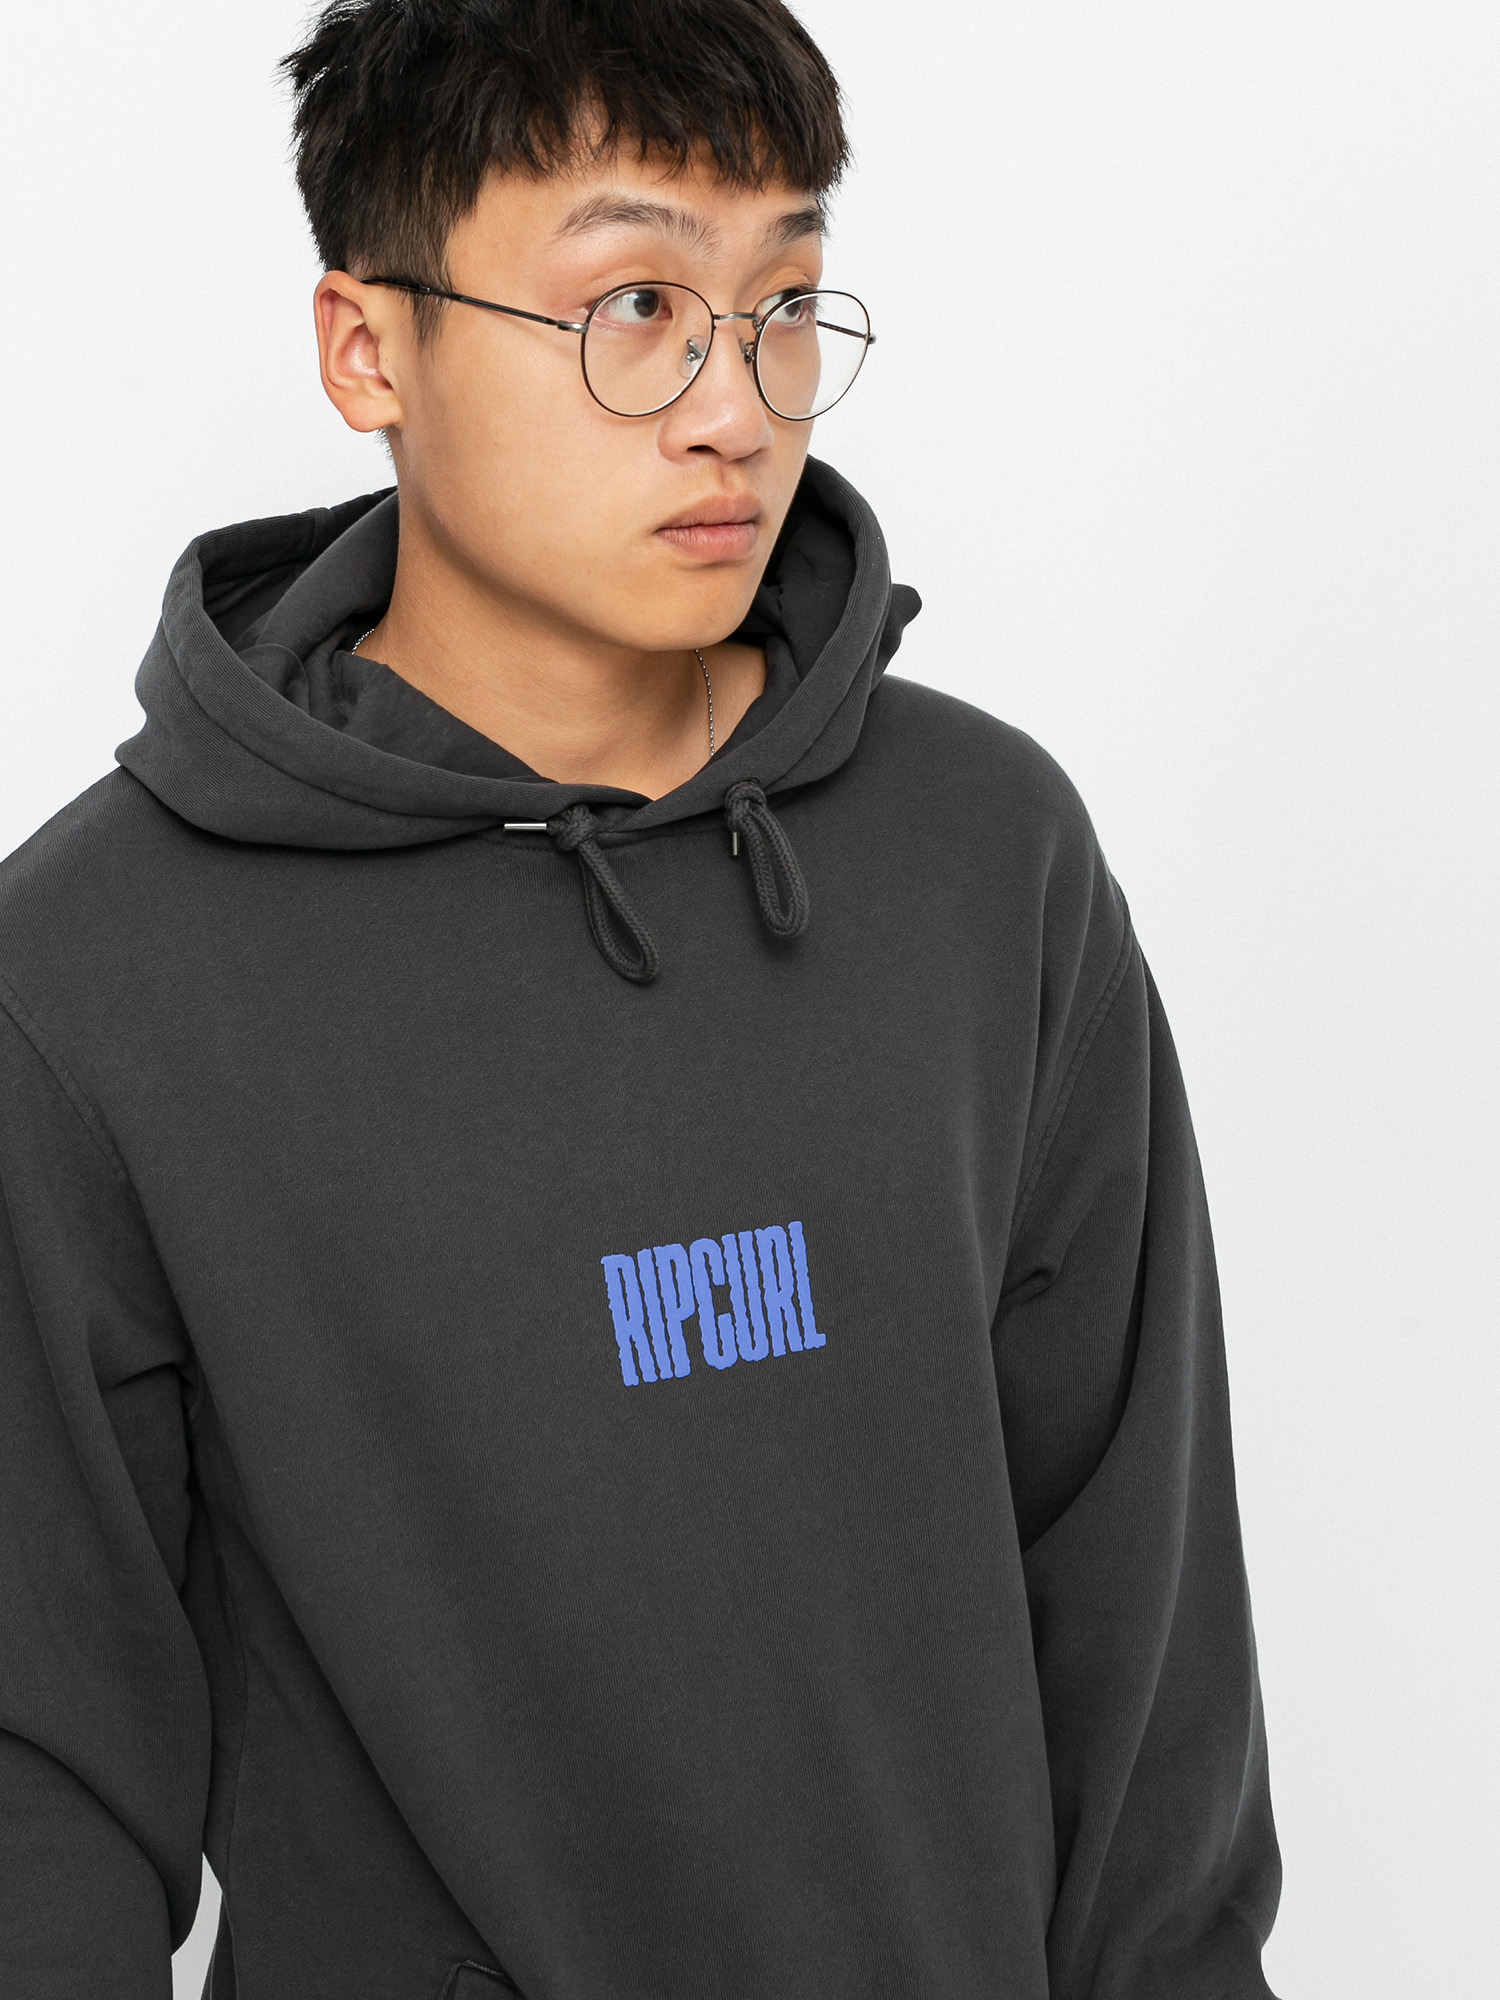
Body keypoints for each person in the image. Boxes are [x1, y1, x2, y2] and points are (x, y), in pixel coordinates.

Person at [0, 2, 1281, 1996]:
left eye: (783, 307)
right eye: (636, 310)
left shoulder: (984, 860)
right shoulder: (95, 979)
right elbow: (45, 1789)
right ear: (368, 348)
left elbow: (1145, 1678)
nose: (734, 410)